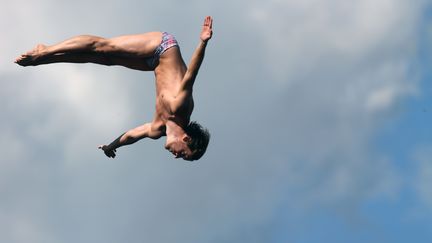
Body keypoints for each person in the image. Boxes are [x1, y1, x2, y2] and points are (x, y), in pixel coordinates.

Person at [15, 16, 213, 161]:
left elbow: (131, 135)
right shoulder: (181, 108)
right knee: (103, 46)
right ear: (186, 138)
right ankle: (46, 50)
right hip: (163, 46)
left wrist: (111, 146)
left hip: (153, 63)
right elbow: (191, 75)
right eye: (183, 153)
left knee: (104, 59)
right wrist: (203, 42)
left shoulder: (157, 129)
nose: (176, 156)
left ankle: (42, 60)